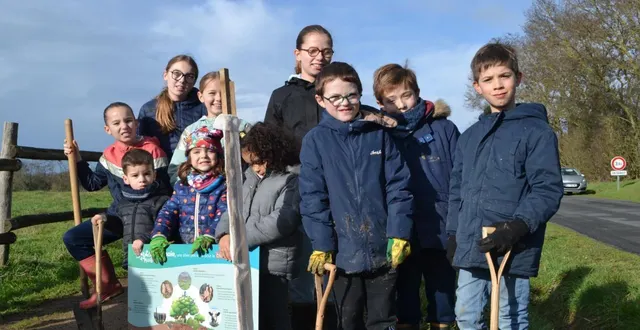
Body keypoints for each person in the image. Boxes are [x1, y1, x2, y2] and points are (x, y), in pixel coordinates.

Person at [446, 42, 564, 329]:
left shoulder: (537, 132)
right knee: (466, 315)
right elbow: (457, 188)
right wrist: (452, 233)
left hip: (514, 245)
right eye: (488, 80)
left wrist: (517, 227)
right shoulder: (469, 137)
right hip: (473, 243)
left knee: (510, 318)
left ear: (518, 78)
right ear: (477, 87)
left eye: (504, 76)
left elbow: (547, 189)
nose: (497, 85)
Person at [299, 62, 414, 330]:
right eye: (335, 97)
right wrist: (322, 244)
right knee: (348, 319)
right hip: (342, 253)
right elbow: (313, 197)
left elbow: (398, 186)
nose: (345, 103)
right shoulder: (315, 141)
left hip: (382, 248)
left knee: (383, 320)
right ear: (320, 99)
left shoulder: (379, 135)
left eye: (351, 95)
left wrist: (399, 233)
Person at [373, 63, 460, 330]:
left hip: (440, 227)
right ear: (380, 103)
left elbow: (461, 178)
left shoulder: (444, 129)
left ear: (418, 92)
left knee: (443, 296)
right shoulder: (378, 134)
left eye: (406, 95)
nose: (401, 104)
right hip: (401, 232)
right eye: (391, 100)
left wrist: (457, 227)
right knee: (405, 299)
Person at [62, 102, 171, 309]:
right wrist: (76, 158)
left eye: (128, 120)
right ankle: (108, 285)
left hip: (150, 218)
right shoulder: (108, 155)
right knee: (75, 237)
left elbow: (165, 191)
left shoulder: (153, 151)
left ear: (136, 122)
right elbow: (93, 184)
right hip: (119, 215)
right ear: (107, 129)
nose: (124, 126)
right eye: (117, 122)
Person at [263, 24, 336, 328]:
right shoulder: (282, 95)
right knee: (305, 257)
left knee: (336, 254)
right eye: (313, 51)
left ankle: (335, 316)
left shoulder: (336, 89)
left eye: (326, 51)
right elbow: (269, 143)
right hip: (298, 184)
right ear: (298, 54)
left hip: (337, 182)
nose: (320, 57)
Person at [215, 122, 302, 330]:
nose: (257, 168)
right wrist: (224, 233)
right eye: (250, 163)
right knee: (251, 316)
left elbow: (283, 221)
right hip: (247, 258)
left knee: (276, 316)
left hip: (274, 263)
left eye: (260, 161)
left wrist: (240, 238)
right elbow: (232, 207)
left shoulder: (292, 178)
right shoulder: (246, 177)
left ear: (274, 152)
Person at [148, 127, 228, 264]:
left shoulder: (224, 185)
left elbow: (224, 212)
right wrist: (159, 234)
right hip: (185, 250)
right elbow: (168, 211)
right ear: (189, 158)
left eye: (210, 150)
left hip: (214, 250)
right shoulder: (182, 186)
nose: (203, 156)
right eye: (196, 152)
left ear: (218, 155)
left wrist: (211, 235)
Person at [168, 71, 252, 185]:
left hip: (239, 193)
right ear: (201, 96)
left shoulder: (242, 127)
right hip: (200, 197)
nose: (218, 98)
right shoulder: (191, 131)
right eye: (212, 93)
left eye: (223, 93)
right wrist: (192, 187)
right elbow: (175, 169)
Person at [137, 54, 207, 159]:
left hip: (196, 171)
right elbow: (140, 147)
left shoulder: (203, 107)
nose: (182, 80)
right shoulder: (148, 110)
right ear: (166, 75)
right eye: (177, 74)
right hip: (161, 173)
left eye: (189, 76)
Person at [116, 148, 171, 269]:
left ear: (154, 174)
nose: (142, 179)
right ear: (126, 179)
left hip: (155, 256)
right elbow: (116, 221)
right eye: (135, 175)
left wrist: (144, 239)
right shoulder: (123, 203)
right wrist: (103, 218)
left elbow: (165, 227)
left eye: (146, 174)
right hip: (132, 256)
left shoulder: (161, 201)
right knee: (137, 287)